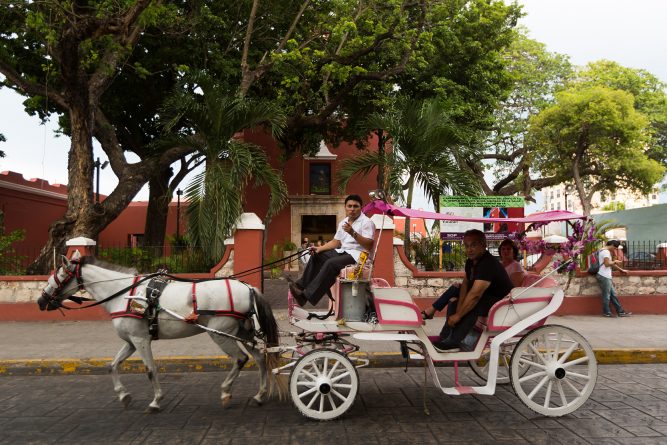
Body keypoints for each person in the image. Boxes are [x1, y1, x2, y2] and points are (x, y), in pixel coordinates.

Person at [432, 229, 514, 352]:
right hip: (487, 298)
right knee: (455, 302)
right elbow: (465, 284)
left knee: (473, 306)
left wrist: (459, 315)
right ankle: (444, 338)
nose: (469, 249)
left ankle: (455, 342)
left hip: (502, 302)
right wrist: (458, 310)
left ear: (483, 245)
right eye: (467, 246)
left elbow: (475, 295)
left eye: (474, 245)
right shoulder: (471, 262)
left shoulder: (488, 264)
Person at [287, 195, 375, 306]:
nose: (352, 209)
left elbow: (369, 245)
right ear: (345, 207)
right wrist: (319, 248)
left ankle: (306, 296)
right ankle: (300, 286)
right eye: (350, 206)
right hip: (344, 252)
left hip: (359, 256)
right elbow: (336, 242)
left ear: (360, 207)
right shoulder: (343, 222)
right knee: (317, 256)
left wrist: (352, 232)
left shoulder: (367, 222)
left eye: (355, 206)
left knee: (331, 263)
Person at [421, 238, 523, 320]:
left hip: (498, 298)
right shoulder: (499, 264)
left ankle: (430, 311)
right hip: (487, 292)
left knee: (457, 291)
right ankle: (439, 321)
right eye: (503, 249)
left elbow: (513, 289)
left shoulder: (515, 266)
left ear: (514, 251)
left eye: (508, 249)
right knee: (455, 291)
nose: (505, 251)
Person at [596, 240, 632, 317]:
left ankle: (620, 311)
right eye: (615, 247)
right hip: (604, 276)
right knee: (607, 295)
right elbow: (607, 264)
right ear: (611, 245)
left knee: (613, 295)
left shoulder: (602, 251)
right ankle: (607, 312)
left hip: (605, 275)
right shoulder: (606, 252)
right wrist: (615, 261)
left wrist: (621, 270)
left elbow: (610, 264)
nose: (615, 249)